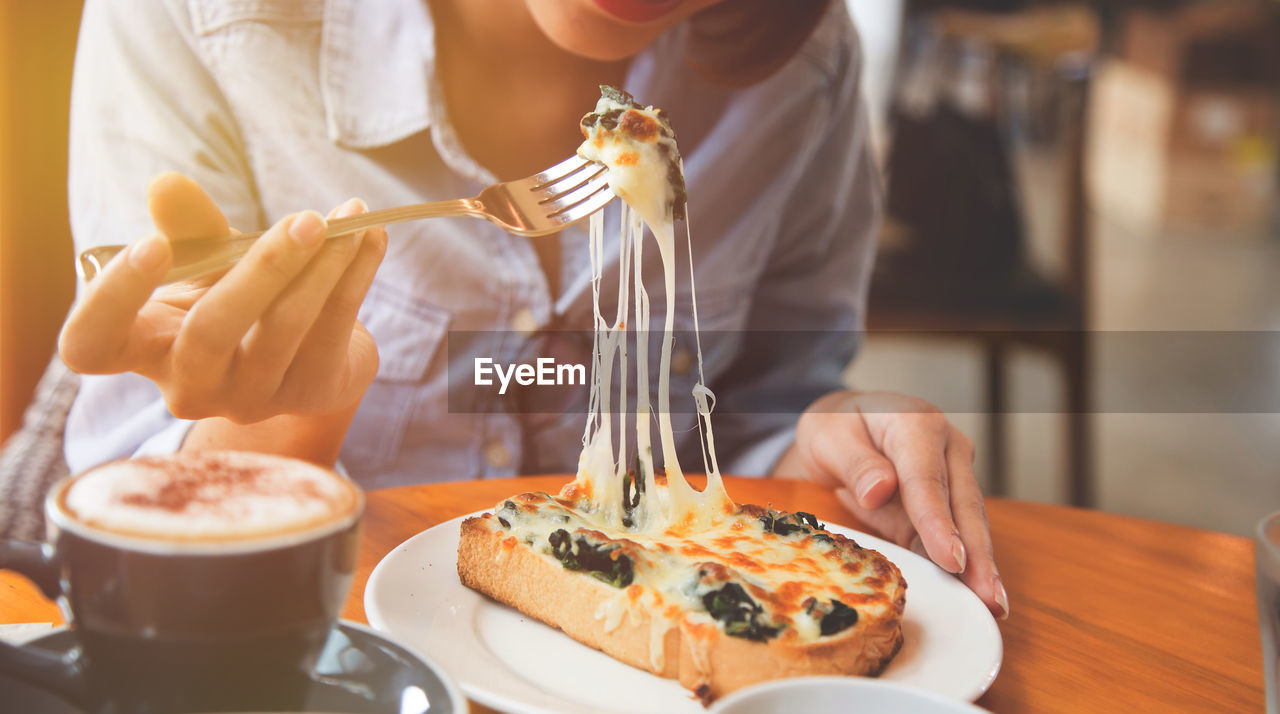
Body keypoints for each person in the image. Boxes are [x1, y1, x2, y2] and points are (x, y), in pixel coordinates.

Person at [57, 0, 1006, 618]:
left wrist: (832, 443)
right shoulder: (194, 17)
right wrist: (290, 414)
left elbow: (754, 421)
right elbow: (134, 573)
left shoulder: (802, 67)